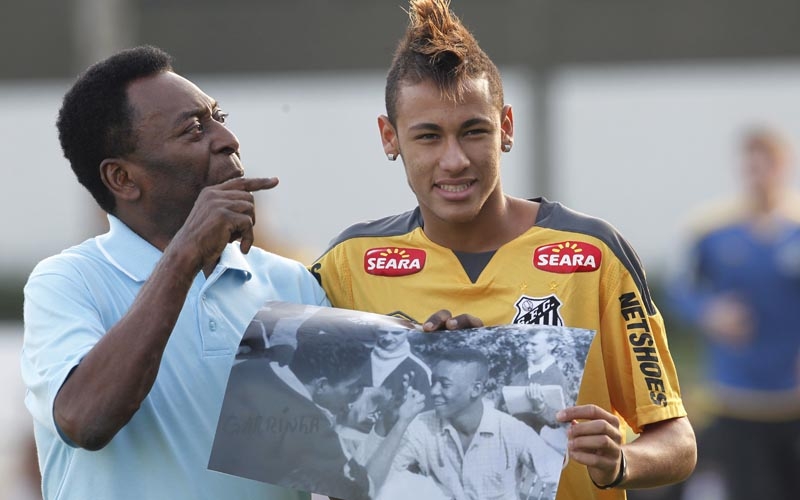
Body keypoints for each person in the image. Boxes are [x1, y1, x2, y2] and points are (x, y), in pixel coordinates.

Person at [310, 1, 697, 497]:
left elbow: (678, 442)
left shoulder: (591, 254)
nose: (454, 160)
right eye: (428, 137)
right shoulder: (348, 266)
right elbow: (310, 434)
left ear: (506, 127)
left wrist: (620, 461)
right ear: (390, 138)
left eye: (474, 131)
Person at [19, 45, 330, 500]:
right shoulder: (67, 282)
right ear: (123, 179)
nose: (228, 139)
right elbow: (84, 419)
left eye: (219, 117)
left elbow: (349, 458)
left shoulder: (292, 282)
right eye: (193, 129)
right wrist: (184, 255)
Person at [666, 126, 800, 500]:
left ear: (783, 167)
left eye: (768, 166)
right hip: (737, 394)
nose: (760, 177)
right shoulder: (712, 229)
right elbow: (680, 289)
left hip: (793, 394)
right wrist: (708, 312)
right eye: (752, 167)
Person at [369, 348, 563, 500]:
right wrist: (400, 421)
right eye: (433, 382)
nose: (433, 391)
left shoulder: (511, 430)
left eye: (444, 385)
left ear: (475, 389)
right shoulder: (421, 426)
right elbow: (372, 482)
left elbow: (559, 473)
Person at [208, 332, 372, 500]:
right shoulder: (316, 435)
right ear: (322, 385)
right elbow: (358, 489)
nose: (357, 394)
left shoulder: (247, 367)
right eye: (353, 387)